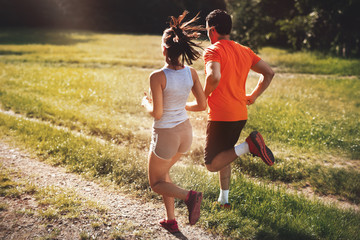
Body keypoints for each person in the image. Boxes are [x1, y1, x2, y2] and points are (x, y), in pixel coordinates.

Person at [141, 11, 207, 233]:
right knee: (164, 174)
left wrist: (145, 104)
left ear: (164, 48)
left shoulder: (157, 76)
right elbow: (202, 105)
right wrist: (181, 106)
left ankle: (190, 196)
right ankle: (171, 220)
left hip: (166, 136)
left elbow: (157, 114)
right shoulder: (191, 73)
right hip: (185, 135)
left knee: (156, 183)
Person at [203, 9, 275, 208]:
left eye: (208, 31)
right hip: (239, 114)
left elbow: (213, 77)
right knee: (225, 155)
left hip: (220, 116)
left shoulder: (213, 50)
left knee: (211, 164)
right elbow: (269, 73)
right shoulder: (244, 50)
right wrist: (252, 96)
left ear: (212, 30)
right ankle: (224, 200)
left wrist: (203, 94)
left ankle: (249, 146)